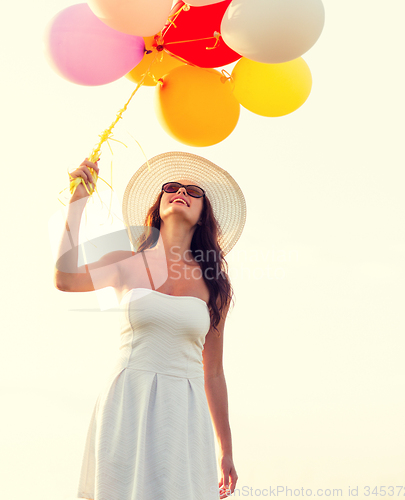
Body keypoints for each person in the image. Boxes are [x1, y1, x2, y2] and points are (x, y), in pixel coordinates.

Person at [54, 151, 247, 499]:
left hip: (184, 412)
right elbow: (65, 279)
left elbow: (214, 373)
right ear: (158, 204)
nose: (181, 192)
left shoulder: (215, 284)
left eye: (193, 191)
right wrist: (78, 202)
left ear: (204, 215)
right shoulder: (125, 262)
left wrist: (226, 449)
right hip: (127, 400)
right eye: (172, 186)